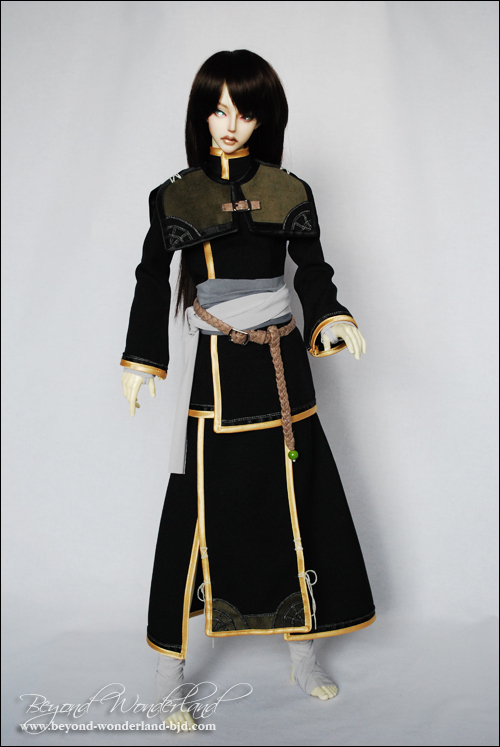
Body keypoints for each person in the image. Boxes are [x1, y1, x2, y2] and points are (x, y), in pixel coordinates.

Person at [120, 50, 375, 730]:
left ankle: (303, 652)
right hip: (215, 374)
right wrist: (142, 360)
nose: (229, 124)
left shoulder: (290, 190)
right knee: (194, 515)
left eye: (245, 112)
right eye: (218, 109)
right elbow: (151, 278)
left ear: (265, 119)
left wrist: (330, 315)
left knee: (299, 504)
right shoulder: (176, 195)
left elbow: (312, 268)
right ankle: (168, 672)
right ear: (201, 114)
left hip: (285, 368)